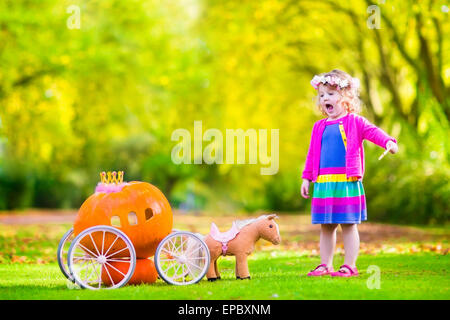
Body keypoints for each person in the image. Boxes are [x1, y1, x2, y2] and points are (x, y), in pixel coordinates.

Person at [301, 69, 398, 277]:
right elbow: (312, 154)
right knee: (326, 227)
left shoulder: (355, 122)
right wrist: (307, 178)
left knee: (348, 224)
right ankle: (325, 264)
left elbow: (373, 132)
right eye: (322, 95)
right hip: (324, 183)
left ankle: (349, 265)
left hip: (347, 181)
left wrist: (389, 141)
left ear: (346, 97)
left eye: (331, 94)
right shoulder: (318, 127)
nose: (325, 98)